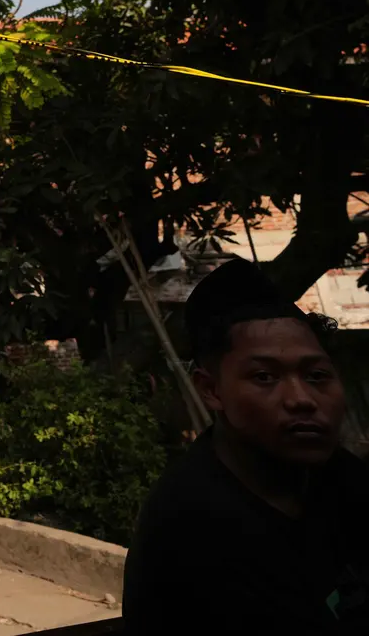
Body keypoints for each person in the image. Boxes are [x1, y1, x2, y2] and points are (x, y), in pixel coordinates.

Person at [122, 258, 369, 634]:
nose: (301, 398)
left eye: (316, 375)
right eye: (264, 376)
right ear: (211, 389)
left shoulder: (341, 476)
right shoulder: (192, 529)